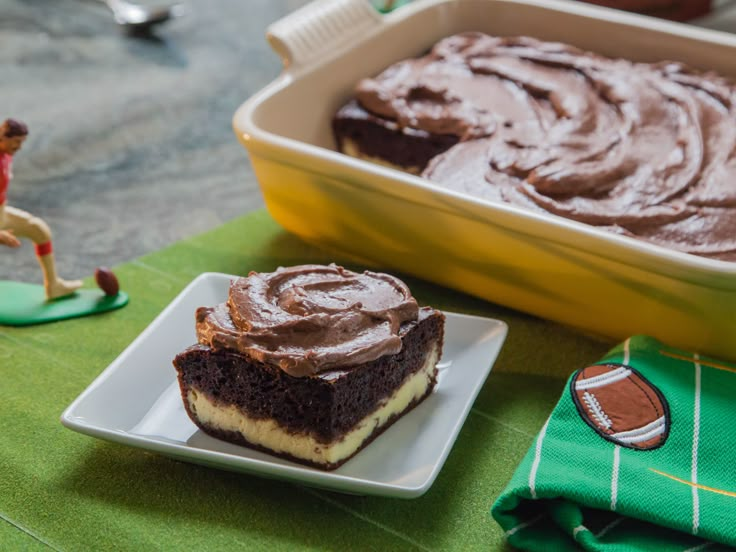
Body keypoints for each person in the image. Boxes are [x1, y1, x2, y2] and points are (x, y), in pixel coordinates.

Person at [0, 118, 82, 299]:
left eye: (21, 142)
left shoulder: (5, 153)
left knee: (38, 230)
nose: (19, 147)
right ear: (3, 137)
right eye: (16, 142)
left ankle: (54, 286)